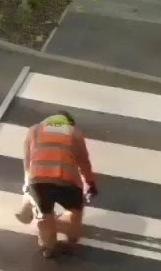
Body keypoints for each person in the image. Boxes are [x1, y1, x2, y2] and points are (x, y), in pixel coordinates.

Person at [14, 111, 98, 258]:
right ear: (70, 123)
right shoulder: (74, 133)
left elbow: (27, 163)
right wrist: (90, 183)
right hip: (68, 181)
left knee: (45, 216)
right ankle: (71, 239)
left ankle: (48, 246)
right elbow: (84, 162)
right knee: (74, 213)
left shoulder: (34, 130)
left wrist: (28, 187)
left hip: (39, 182)